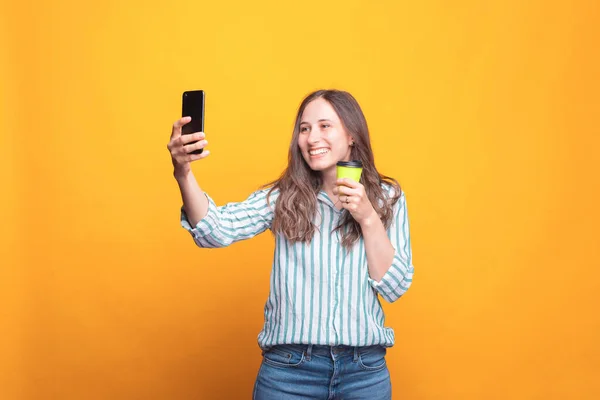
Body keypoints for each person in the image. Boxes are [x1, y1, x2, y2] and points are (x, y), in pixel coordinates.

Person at [167, 89, 414, 400]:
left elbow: (395, 286)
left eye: (325, 126)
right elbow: (214, 230)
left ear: (352, 134)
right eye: (305, 128)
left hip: (364, 374)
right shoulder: (283, 197)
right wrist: (183, 172)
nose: (312, 138)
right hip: (289, 372)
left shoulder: (387, 198)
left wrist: (367, 217)